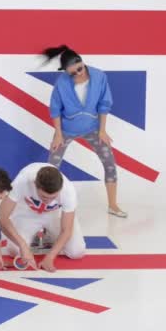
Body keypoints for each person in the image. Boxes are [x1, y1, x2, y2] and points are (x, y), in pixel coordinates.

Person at [42, 45, 127, 218]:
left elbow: (104, 104)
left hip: (92, 128)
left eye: (79, 69)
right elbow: (55, 109)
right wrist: (58, 133)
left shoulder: (99, 77)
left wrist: (102, 130)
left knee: (110, 162)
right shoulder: (62, 82)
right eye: (72, 73)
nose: (77, 74)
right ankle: (48, 208)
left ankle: (113, 205)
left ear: (82, 62)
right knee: (51, 167)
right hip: (67, 129)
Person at [0, 163, 86, 272]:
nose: (48, 200)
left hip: (55, 213)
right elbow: (3, 218)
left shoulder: (68, 190)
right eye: (44, 196)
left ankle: (48, 235)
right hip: (27, 211)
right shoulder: (22, 180)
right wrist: (23, 245)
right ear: (35, 184)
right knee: (15, 251)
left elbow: (66, 230)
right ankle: (35, 236)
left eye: (53, 197)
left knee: (76, 252)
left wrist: (49, 258)